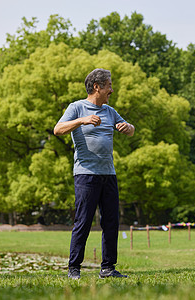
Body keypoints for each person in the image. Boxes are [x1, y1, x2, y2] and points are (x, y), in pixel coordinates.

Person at [54, 68, 135, 279]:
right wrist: (82, 121)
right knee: (83, 221)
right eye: (109, 85)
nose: (112, 89)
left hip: (108, 174)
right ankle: (74, 269)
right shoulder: (77, 107)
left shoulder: (109, 110)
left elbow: (131, 128)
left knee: (111, 222)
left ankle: (108, 268)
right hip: (85, 174)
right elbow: (58, 129)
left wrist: (128, 127)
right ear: (97, 86)